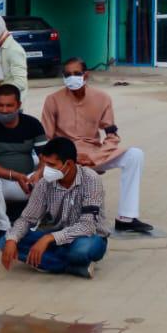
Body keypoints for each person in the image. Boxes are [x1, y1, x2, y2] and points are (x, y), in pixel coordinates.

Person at [41, 57, 152, 233]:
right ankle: (51, 213)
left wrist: (95, 158)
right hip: (64, 156)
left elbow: (112, 135)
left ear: (86, 75)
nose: (72, 77)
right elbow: (46, 138)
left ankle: (126, 218)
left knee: (135, 155)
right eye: (67, 74)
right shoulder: (52, 100)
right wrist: (68, 157)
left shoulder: (102, 98)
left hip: (93, 153)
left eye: (77, 73)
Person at [0, 137, 109, 278]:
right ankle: (70, 266)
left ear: (68, 164)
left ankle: (53, 261)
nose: (46, 169)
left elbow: (87, 226)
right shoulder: (44, 184)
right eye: (44, 164)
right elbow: (27, 219)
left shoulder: (91, 180)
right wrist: (12, 239)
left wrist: (48, 239)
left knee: (80, 251)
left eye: (51, 165)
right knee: (5, 242)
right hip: (56, 237)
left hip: (88, 237)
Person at [0, 84, 47, 241]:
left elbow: (46, 158)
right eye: (0, 105)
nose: (4, 110)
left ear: (18, 105)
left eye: (9, 105)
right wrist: (15, 175)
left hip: (27, 182)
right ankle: (3, 227)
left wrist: (38, 174)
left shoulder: (32, 124)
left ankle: (31, 225)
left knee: (51, 175)